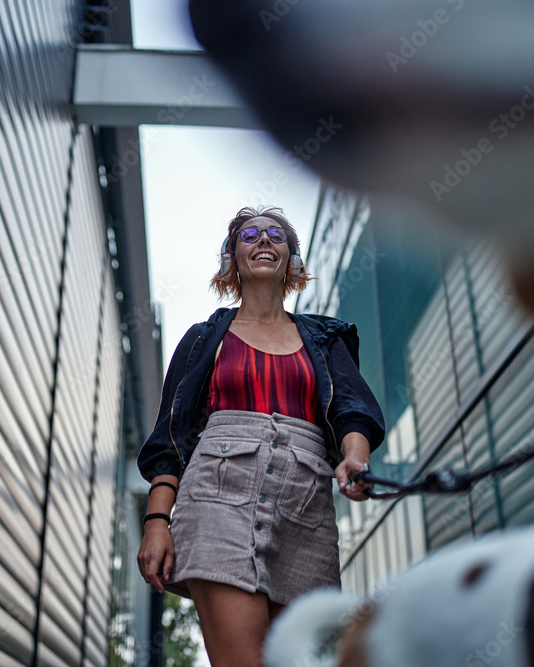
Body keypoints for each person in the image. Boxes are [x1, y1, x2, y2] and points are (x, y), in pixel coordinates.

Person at [136, 206, 386, 667]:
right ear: (233, 258)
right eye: (249, 235)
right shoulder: (204, 339)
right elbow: (170, 440)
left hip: (304, 513)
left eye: (276, 235)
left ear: (291, 258)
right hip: (217, 502)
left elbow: (353, 411)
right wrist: (156, 523)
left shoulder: (324, 339)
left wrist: (355, 458)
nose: (264, 240)